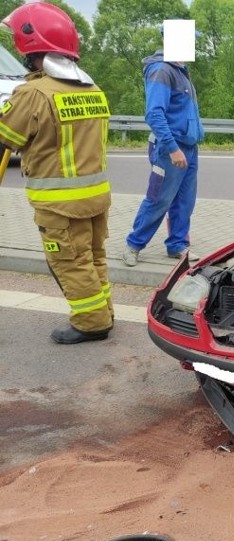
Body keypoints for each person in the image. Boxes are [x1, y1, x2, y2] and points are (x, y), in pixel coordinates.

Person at [0, 2, 114, 344]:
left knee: (69, 262)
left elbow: (7, 136)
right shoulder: (92, 89)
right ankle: (103, 311)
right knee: (92, 258)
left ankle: (91, 323)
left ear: (30, 50)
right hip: (96, 197)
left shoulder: (34, 93)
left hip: (60, 204)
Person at [123, 30, 204, 266]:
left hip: (188, 146)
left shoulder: (180, 71)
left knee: (184, 201)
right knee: (159, 199)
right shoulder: (162, 70)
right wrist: (172, 148)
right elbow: (154, 114)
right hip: (172, 148)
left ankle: (177, 245)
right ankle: (134, 245)